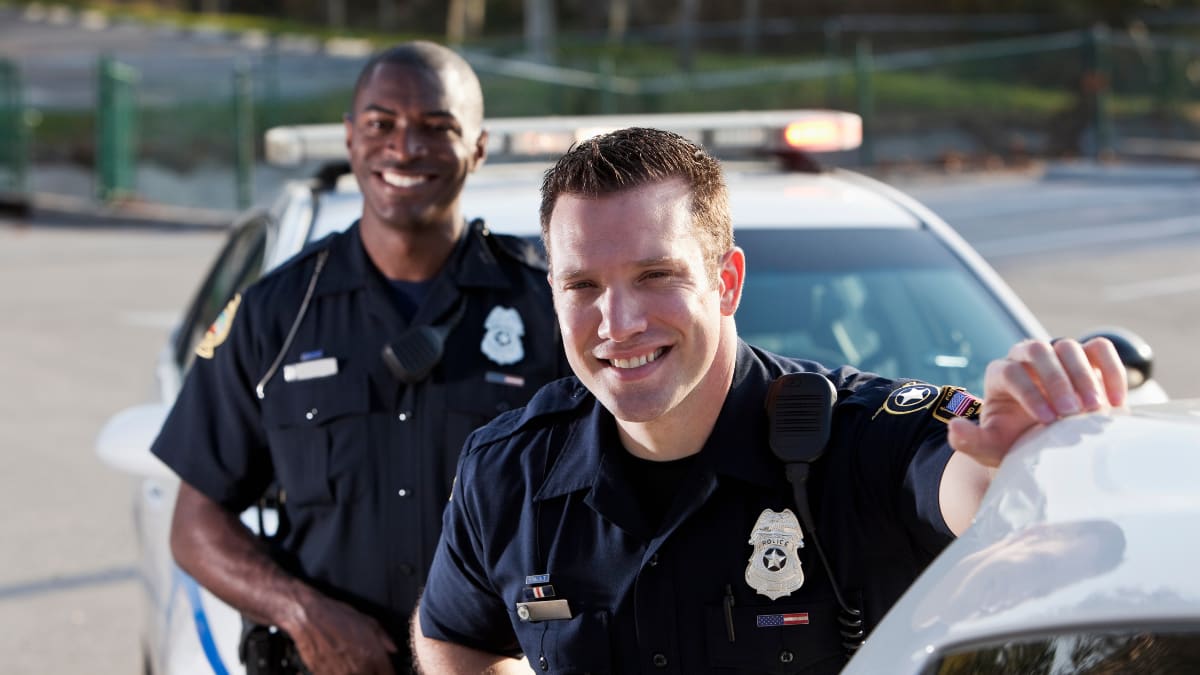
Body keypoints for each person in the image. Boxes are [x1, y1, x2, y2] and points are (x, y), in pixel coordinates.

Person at [411, 127, 1128, 674]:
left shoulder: (859, 440)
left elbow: (967, 478)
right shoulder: (510, 471)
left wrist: (1017, 456)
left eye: (656, 274)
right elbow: (453, 629)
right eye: (584, 285)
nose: (617, 322)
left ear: (727, 282)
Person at [151, 41, 567, 674]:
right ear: (351, 138)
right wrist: (300, 612)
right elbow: (195, 522)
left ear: (478, 147)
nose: (404, 148)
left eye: (437, 127)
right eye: (381, 125)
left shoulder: (551, 305)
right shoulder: (276, 314)